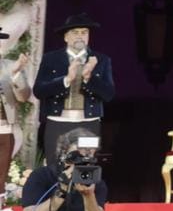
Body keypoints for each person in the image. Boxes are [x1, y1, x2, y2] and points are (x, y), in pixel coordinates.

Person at [7, 127, 108, 211]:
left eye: (89, 155)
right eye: (77, 155)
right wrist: (62, 191)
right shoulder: (41, 176)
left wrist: (88, 195)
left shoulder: (96, 183)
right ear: (63, 154)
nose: (83, 160)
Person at [33, 14, 114, 157]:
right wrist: (66, 79)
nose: (80, 36)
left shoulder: (102, 60)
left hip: (89, 123)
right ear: (66, 37)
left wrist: (89, 78)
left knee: (86, 166)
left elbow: (109, 94)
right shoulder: (50, 59)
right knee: (55, 166)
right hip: (57, 122)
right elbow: (39, 91)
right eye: (75, 32)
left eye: (84, 32)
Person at [0, 27, 32, 193]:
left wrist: (15, 74)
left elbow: (24, 96)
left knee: (1, 173)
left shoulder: (11, 67)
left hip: (4, 128)